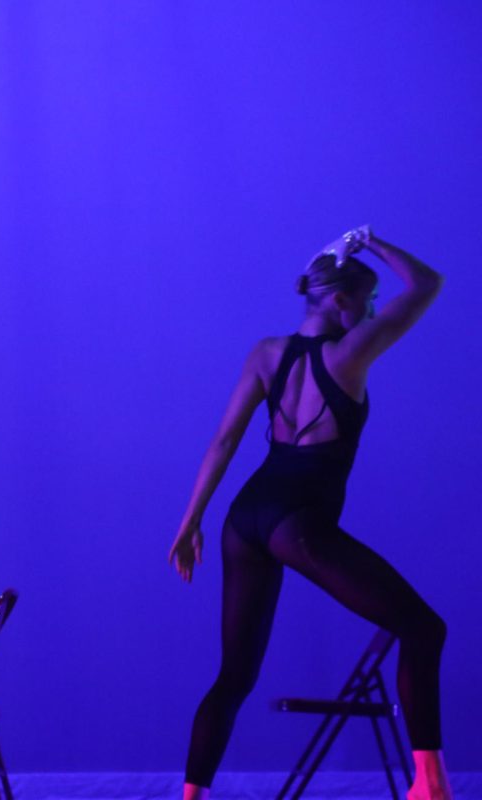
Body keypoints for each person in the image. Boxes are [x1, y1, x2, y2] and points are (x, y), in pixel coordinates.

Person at [168, 227, 452, 800]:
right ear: (342, 301)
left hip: (243, 517)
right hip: (294, 520)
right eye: (368, 301)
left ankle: (190, 797)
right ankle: (430, 785)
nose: (372, 311)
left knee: (234, 677)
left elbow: (223, 442)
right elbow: (427, 284)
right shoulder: (351, 352)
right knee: (423, 628)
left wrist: (190, 521)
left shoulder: (266, 353)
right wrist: (370, 240)